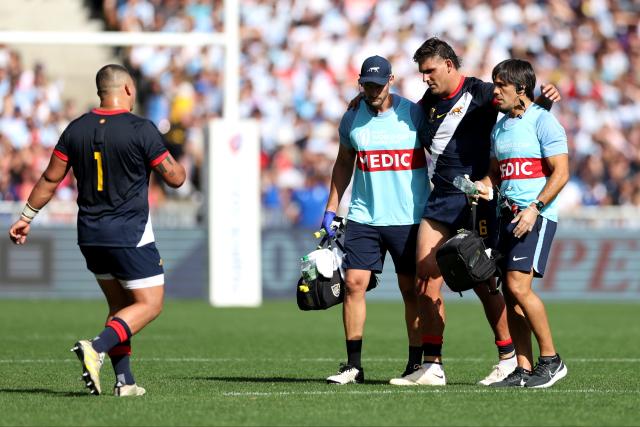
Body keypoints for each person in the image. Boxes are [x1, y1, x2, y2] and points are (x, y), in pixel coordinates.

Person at [391, 37, 561, 386]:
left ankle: (508, 358)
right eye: (422, 73)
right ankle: (433, 365)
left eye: (430, 71)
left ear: (449, 65)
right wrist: (362, 99)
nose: (425, 78)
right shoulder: (425, 106)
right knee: (425, 277)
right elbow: (391, 112)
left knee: (487, 283)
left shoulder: (483, 93)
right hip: (442, 201)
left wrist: (544, 102)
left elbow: (522, 116)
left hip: (479, 202)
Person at [8, 64, 186, 396]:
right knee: (150, 304)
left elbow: (50, 178)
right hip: (129, 233)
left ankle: (125, 381)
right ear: (129, 90)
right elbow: (175, 178)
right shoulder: (141, 128)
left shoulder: (75, 129)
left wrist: (26, 216)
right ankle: (97, 347)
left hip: (89, 235)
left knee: (120, 306)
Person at [323, 55, 430, 384]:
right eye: (366, 85)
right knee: (354, 284)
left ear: (391, 80)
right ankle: (353, 366)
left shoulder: (413, 113)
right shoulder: (352, 116)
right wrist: (331, 209)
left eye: (378, 84)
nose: (372, 90)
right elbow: (343, 163)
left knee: (410, 290)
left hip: (409, 217)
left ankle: (415, 364)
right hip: (363, 216)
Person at [474, 58, 569, 388]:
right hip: (506, 216)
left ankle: (551, 360)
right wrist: (483, 186)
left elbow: (561, 172)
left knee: (518, 286)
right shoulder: (500, 127)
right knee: (511, 295)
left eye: (501, 85)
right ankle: (524, 369)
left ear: (521, 89)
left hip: (535, 215)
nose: (495, 91)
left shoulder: (544, 122)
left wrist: (535, 208)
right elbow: (496, 173)